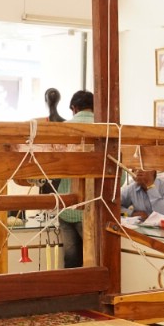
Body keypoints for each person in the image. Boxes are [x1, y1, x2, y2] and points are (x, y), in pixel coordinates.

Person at [57, 90, 94, 268]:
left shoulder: (63, 129)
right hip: (94, 206)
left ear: (74, 108)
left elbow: (53, 166)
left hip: (66, 205)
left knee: (71, 260)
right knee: (94, 258)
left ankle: (72, 293)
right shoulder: (107, 127)